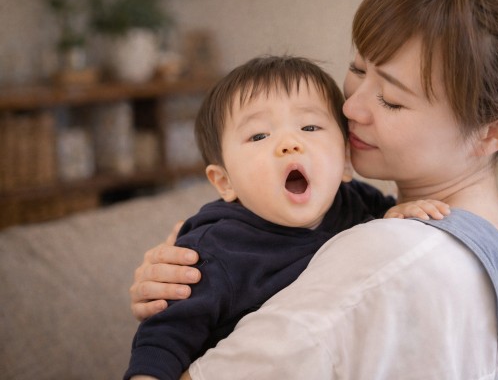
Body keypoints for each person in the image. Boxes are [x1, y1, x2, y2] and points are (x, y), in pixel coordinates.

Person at [129, 0, 498, 379]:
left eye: (392, 99)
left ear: (493, 131)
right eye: (357, 69)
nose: (350, 107)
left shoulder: (381, 258)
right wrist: (195, 274)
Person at [124, 55, 449, 380]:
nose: (290, 144)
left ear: (346, 161)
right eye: (258, 136)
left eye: (310, 127)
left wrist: (396, 215)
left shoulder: (357, 203)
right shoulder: (215, 249)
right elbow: (162, 340)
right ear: (224, 182)